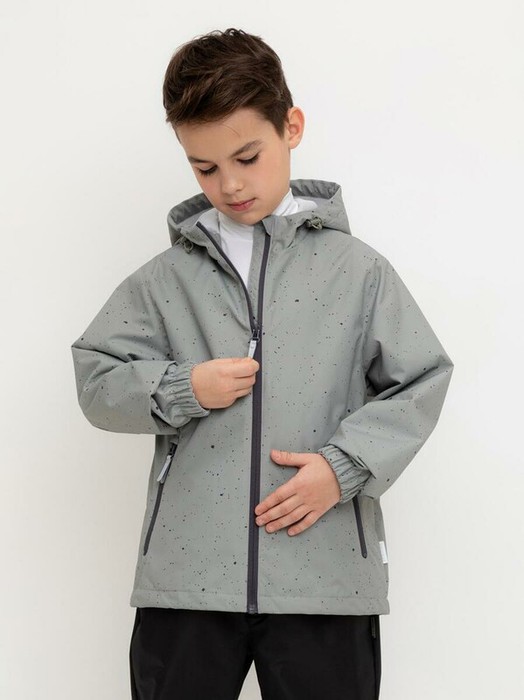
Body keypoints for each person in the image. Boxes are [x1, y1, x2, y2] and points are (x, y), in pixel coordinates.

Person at [71, 27, 454, 700]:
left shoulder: (359, 272)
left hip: (325, 578)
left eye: (247, 156)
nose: (230, 183)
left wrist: (342, 469)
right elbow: (96, 378)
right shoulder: (165, 281)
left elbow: (421, 378)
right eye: (204, 167)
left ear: (291, 127)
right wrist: (181, 387)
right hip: (188, 582)